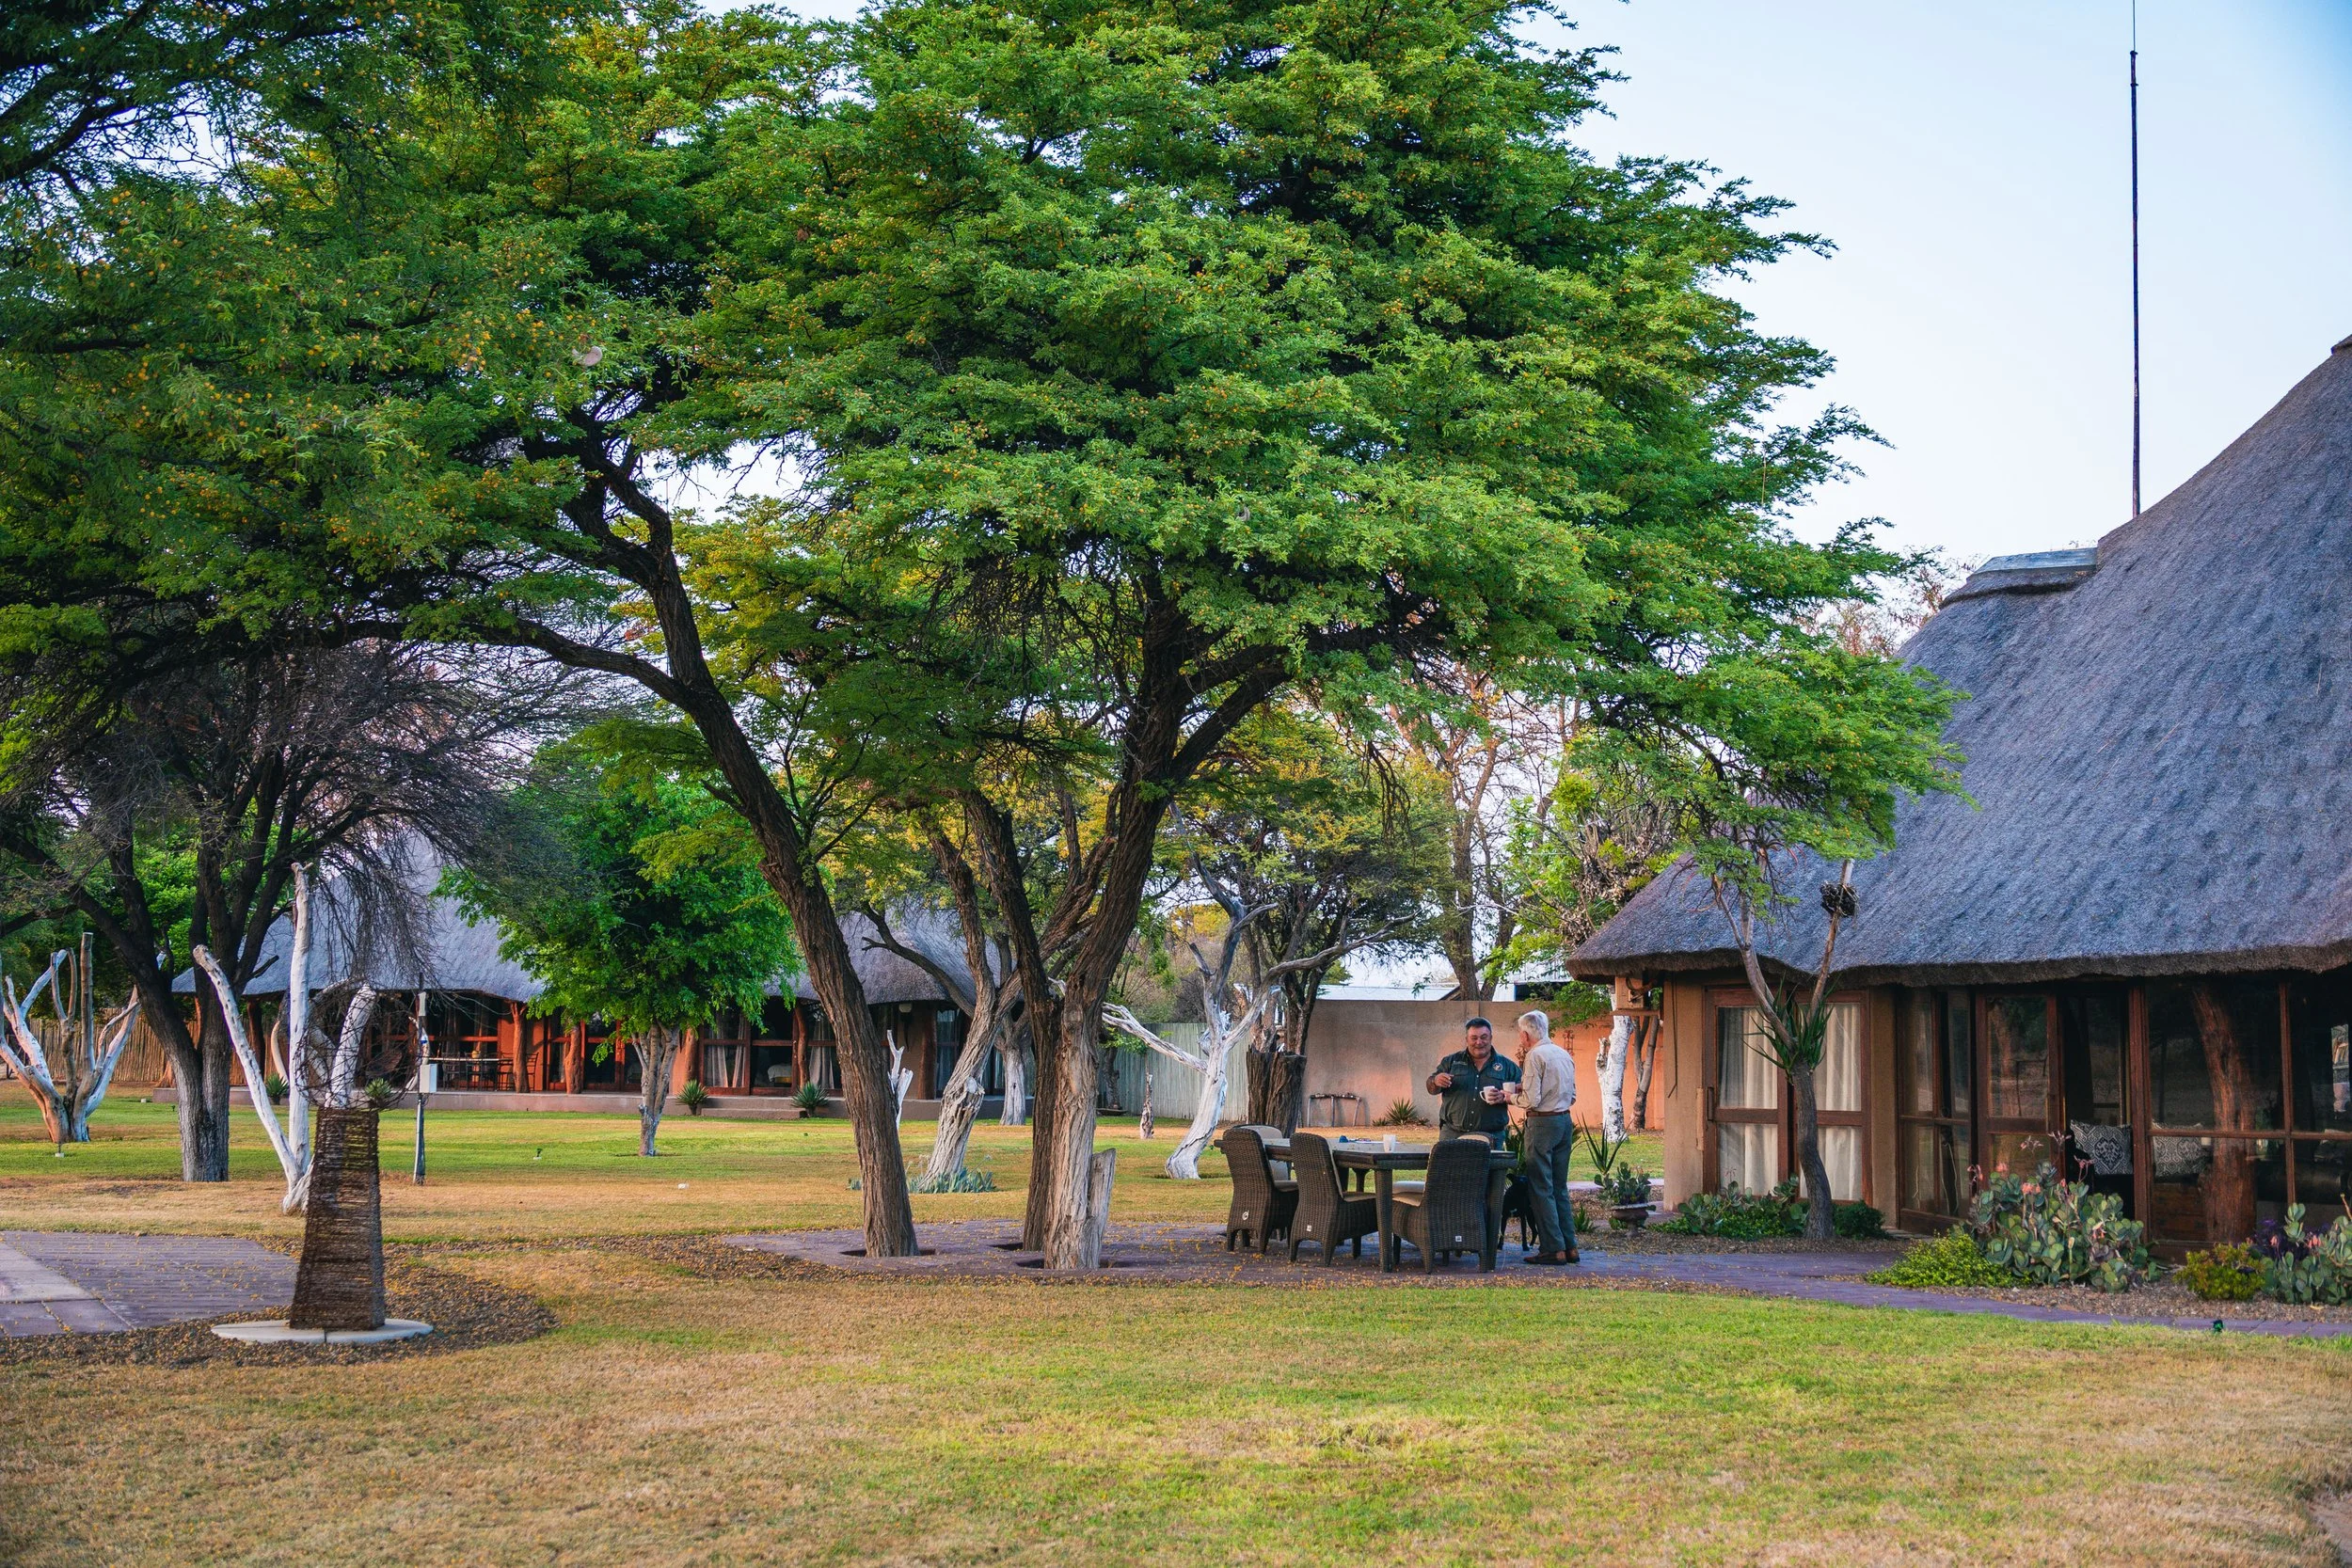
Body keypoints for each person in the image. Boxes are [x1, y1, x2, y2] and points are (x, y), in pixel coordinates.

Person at [1508, 1008, 1579, 1264]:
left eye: (1520, 1034)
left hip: (1541, 1123)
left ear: (1526, 1034)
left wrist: (1509, 1097)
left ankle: (1552, 1248)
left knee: (1540, 1185)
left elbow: (1531, 1099)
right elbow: (1571, 1095)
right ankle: (1569, 1246)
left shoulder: (1534, 1056)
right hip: (1563, 1119)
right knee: (1559, 1186)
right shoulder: (1562, 1054)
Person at [1426, 1017, 1518, 1146]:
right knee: (1449, 1167)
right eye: (1474, 1038)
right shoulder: (1451, 1062)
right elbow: (1431, 1088)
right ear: (1466, 1040)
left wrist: (1505, 1097)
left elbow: (1523, 1091)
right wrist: (1436, 1081)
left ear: (1491, 1038)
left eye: (1484, 1037)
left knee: (1489, 1167)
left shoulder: (1507, 1066)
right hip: (1453, 1134)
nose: (1479, 1042)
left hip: (1492, 1136)